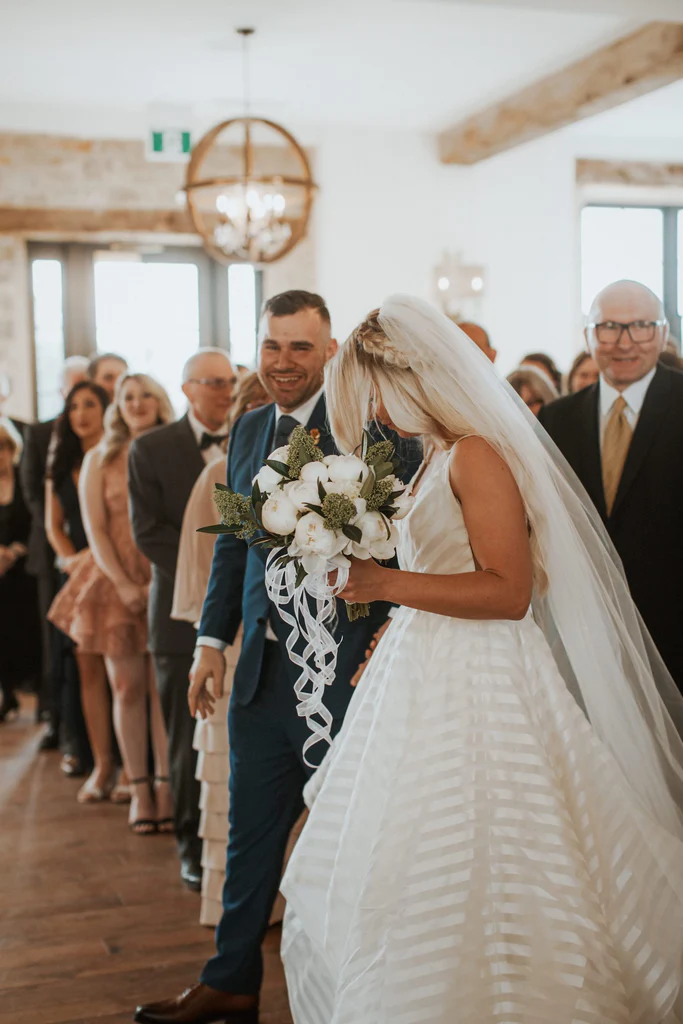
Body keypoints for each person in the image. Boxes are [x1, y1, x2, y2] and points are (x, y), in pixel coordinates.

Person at [275, 295, 683, 1023]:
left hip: (483, 676)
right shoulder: (438, 453)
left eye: (375, 389)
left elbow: (508, 591)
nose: (371, 407)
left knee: (490, 839)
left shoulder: (475, 454)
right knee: (412, 852)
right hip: (425, 662)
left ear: (411, 379)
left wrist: (382, 583)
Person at [133, 291, 421, 1024]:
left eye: (300, 347)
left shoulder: (373, 429)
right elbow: (234, 545)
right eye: (271, 346)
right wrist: (208, 643)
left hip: (345, 674)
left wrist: (385, 638)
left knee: (349, 841)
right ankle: (230, 979)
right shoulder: (250, 426)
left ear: (329, 351)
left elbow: (408, 545)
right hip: (260, 676)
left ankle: (353, 990)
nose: (283, 362)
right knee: (249, 830)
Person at [539, 279, 683, 692]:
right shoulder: (556, 419)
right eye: (608, 328)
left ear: (662, 334)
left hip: (671, 624)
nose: (624, 342)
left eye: (640, 326)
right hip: (585, 626)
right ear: (588, 336)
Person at [129, 348, 237, 888]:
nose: (226, 391)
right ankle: (191, 845)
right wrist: (214, 569)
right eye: (215, 382)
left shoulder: (253, 437)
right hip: (177, 617)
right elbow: (147, 532)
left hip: (243, 620)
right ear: (189, 387)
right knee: (184, 735)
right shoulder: (150, 449)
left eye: (231, 381)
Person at [51, 373, 176, 832]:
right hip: (115, 580)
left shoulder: (174, 451)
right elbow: (95, 530)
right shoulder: (98, 458)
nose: (137, 403)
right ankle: (139, 787)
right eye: (128, 397)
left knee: (163, 688)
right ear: (117, 407)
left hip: (165, 575)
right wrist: (123, 584)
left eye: (146, 395)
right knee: (126, 687)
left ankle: (167, 784)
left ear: (160, 402)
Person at [171, 371, 272, 926]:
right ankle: (234, 912)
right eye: (253, 404)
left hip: (287, 649)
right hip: (232, 647)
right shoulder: (219, 473)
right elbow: (209, 572)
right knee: (227, 790)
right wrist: (210, 645)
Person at [45, 381, 111, 800]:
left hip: (117, 567)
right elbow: (53, 525)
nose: (81, 414)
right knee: (88, 669)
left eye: (90, 405)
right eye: (74, 407)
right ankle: (102, 764)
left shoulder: (119, 455)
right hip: (79, 572)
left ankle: (131, 768)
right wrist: (72, 561)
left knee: (126, 676)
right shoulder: (61, 461)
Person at [21, 355, 89, 746]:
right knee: (57, 644)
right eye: (72, 391)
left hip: (96, 554)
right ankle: (57, 720)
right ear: (62, 393)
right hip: (53, 556)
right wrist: (65, 550)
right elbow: (34, 494)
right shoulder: (41, 433)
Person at [0, 418, 40, 721]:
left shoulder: (25, 480)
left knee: (27, 632)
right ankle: (7, 694)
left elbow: (36, 523)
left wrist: (14, 551)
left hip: (24, 572)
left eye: (3, 446)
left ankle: (41, 698)